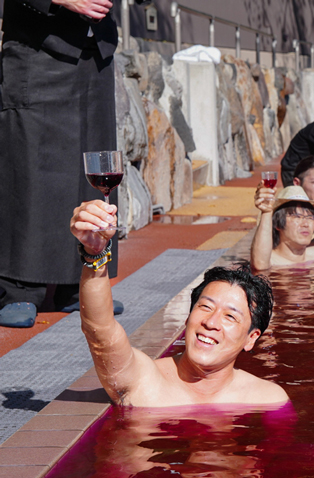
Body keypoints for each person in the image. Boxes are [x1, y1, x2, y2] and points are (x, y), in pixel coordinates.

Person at [70, 200, 288, 406]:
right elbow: (99, 330)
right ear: (188, 317)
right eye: (205, 307)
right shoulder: (144, 381)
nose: (211, 322)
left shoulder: (266, 399)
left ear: (251, 339)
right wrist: (95, 254)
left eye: (230, 316)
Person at [0, 0, 120, 327]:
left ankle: (78, 284)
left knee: (91, 165)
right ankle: (16, 289)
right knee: (29, 165)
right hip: (37, 47)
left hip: (96, 50)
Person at [251, 186, 314, 269]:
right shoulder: (272, 261)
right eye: (297, 216)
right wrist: (267, 212)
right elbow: (260, 265)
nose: (306, 224)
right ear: (277, 224)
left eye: (310, 218)